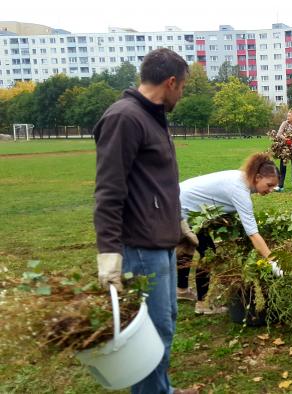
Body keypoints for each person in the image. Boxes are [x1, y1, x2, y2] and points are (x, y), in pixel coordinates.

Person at [93, 48, 197, 394]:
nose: (182, 94)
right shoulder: (125, 118)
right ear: (170, 82)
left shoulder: (153, 117)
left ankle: (159, 389)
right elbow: (109, 192)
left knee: (164, 326)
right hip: (140, 247)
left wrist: (177, 221)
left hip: (161, 241)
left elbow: (159, 183)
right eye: (182, 87)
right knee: (150, 334)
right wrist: (109, 254)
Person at [176, 153, 281, 314]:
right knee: (208, 255)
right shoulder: (240, 191)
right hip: (181, 209)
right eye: (269, 185)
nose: (271, 190)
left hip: (180, 203)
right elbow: (253, 233)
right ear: (258, 177)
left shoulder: (240, 178)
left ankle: (181, 290)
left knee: (189, 246)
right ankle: (203, 304)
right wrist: (273, 261)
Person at [274, 107, 292, 192]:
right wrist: (286, 139)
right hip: (284, 149)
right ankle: (280, 186)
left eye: (289, 116)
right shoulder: (284, 124)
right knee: (282, 167)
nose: (287, 117)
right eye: (287, 116)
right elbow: (279, 134)